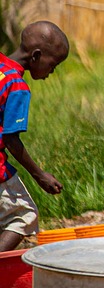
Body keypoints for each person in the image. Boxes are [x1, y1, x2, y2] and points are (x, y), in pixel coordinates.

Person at [0, 22, 68, 252]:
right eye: (53, 64)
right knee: (24, 216)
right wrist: (40, 175)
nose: (52, 71)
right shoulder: (16, 86)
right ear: (37, 56)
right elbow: (11, 140)